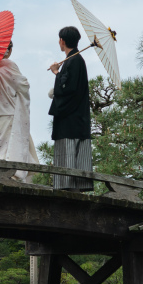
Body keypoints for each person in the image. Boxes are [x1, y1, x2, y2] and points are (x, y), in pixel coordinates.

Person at [0, 41, 40, 181]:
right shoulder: (8, 65)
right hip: (8, 113)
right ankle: (12, 178)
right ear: (8, 50)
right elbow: (23, 85)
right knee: (9, 150)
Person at [48, 26, 93, 191]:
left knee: (68, 154)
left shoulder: (73, 60)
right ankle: (76, 187)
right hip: (78, 118)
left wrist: (56, 73)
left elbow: (67, 88)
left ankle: (67, 188)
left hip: (69, 119)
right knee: (78, 156)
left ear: (62, 41)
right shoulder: (76, 60)